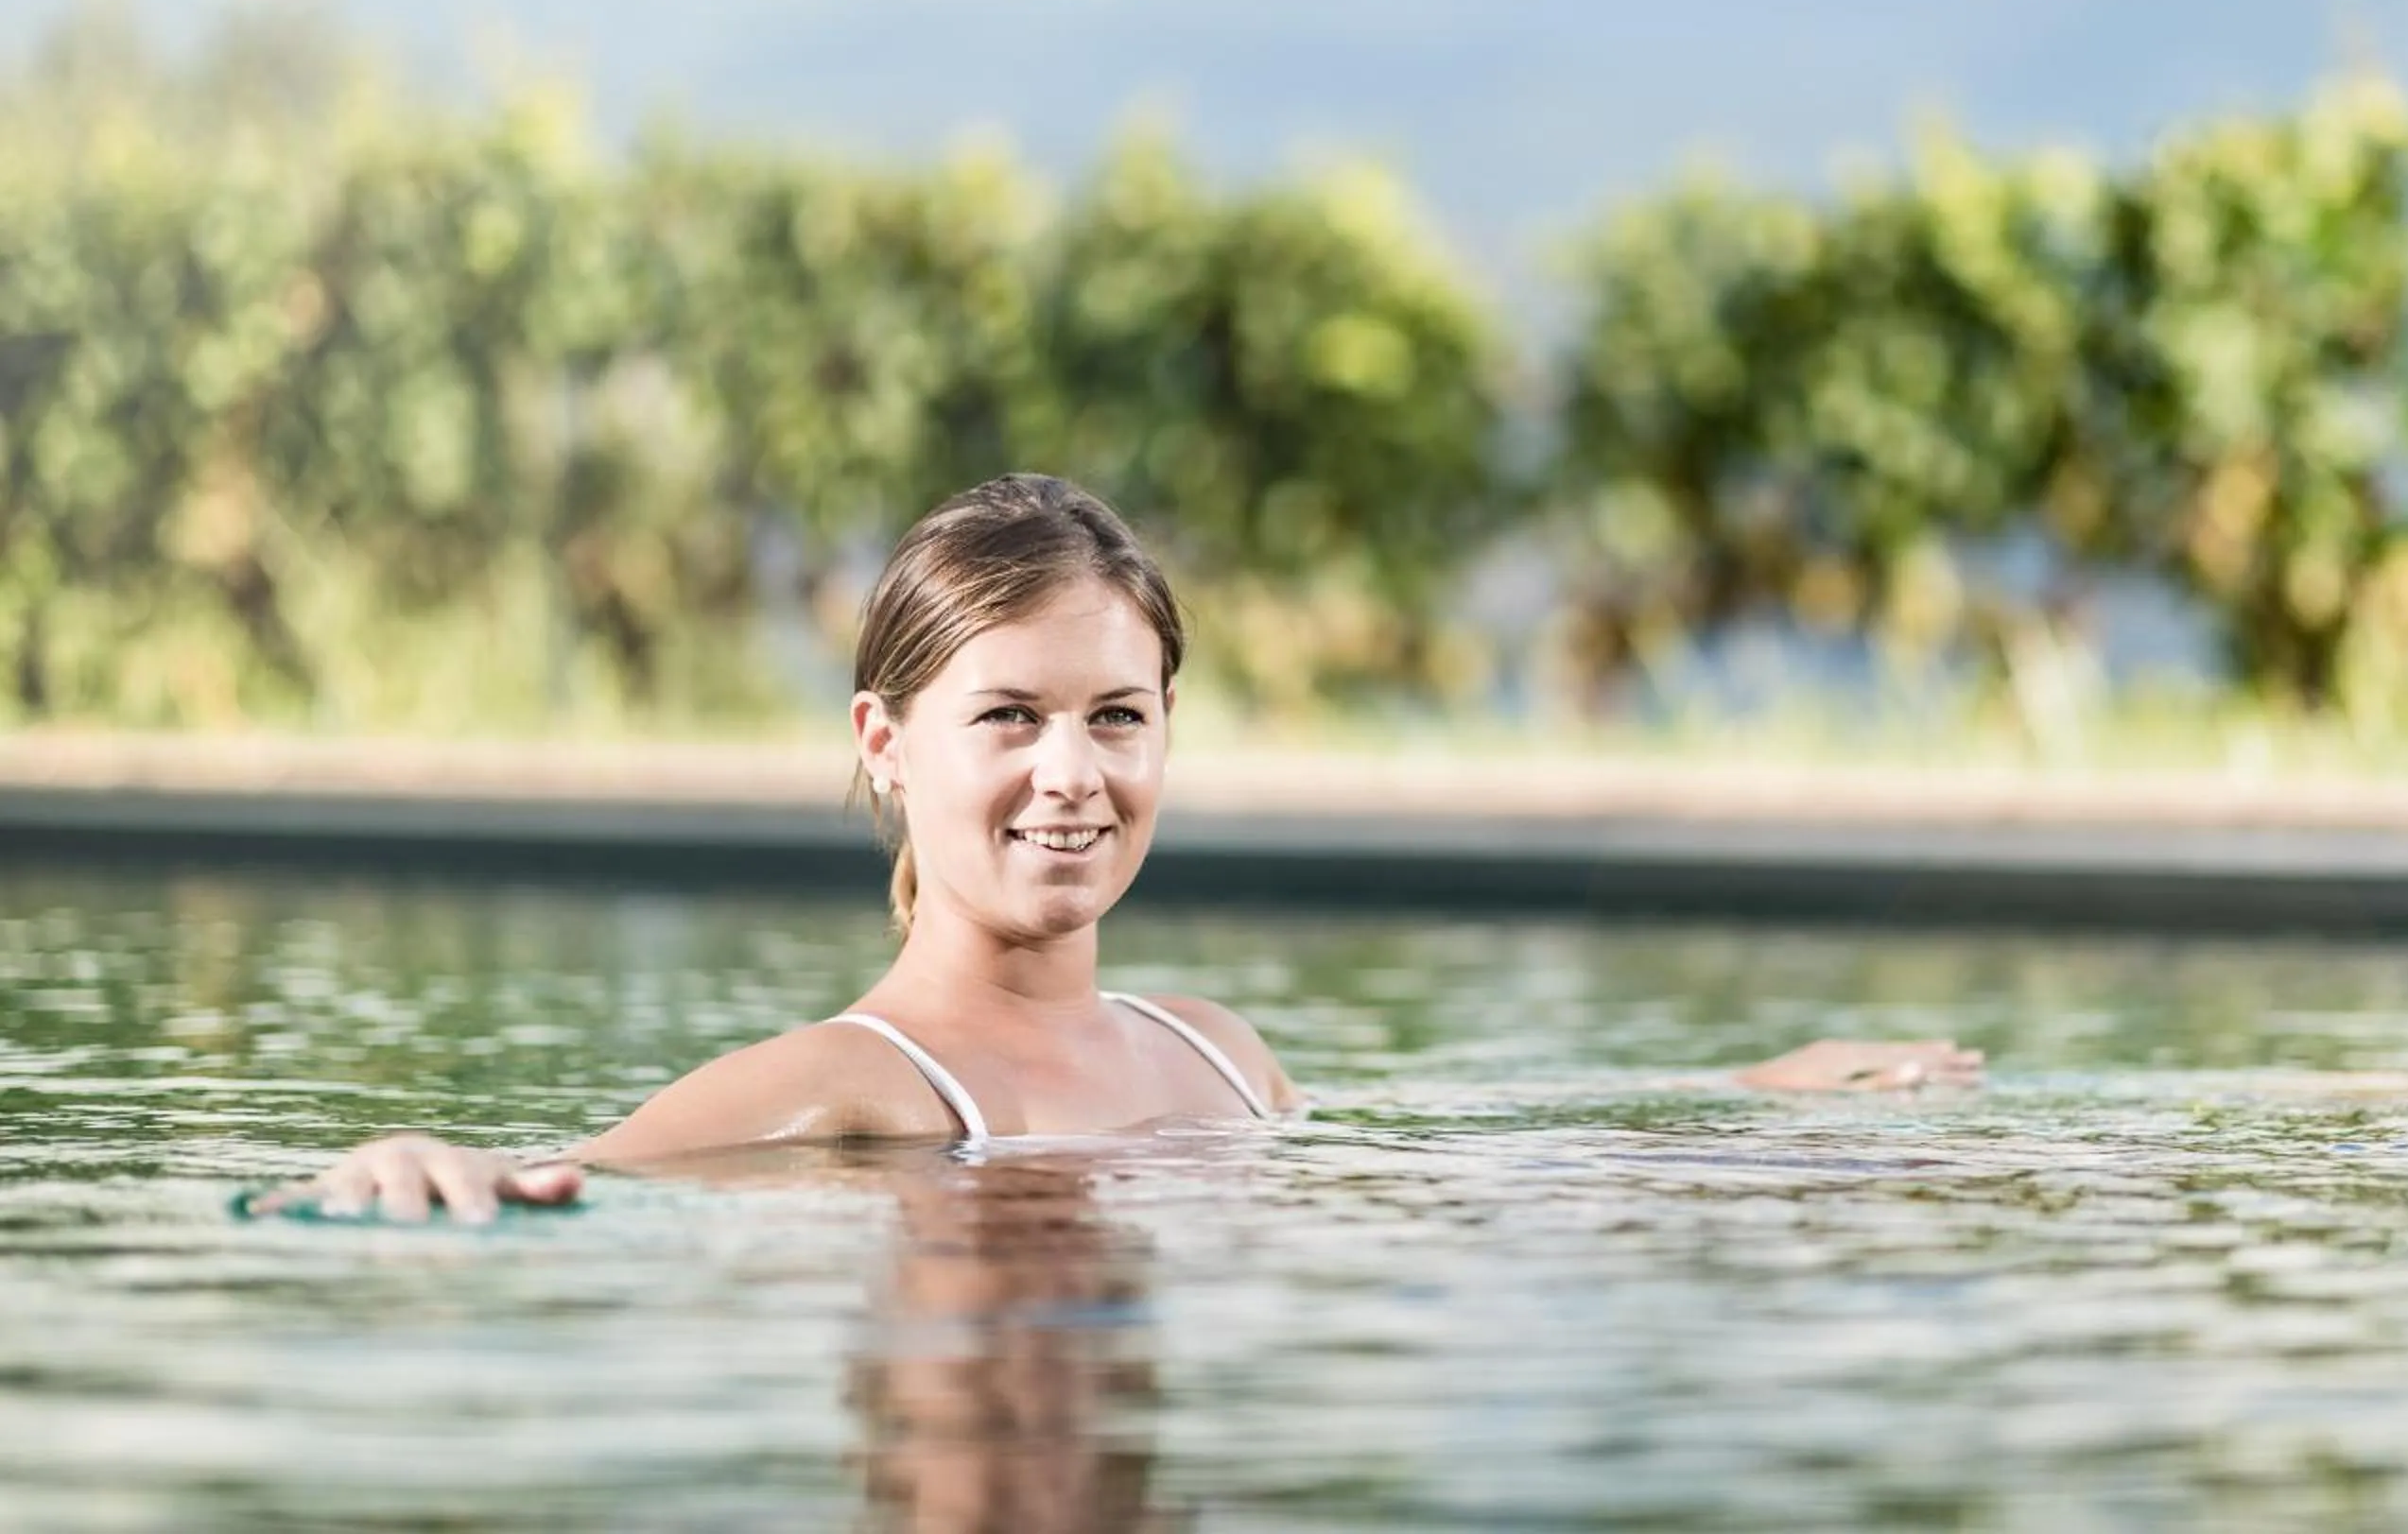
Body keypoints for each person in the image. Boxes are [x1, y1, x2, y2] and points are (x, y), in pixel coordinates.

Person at [245, 474, 1979, 1225]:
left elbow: (1460, 1155)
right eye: (1006, 717)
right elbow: (563, 1176)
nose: (1071, 774)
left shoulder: (1215, 1049)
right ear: (885, 743)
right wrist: (406, 1157)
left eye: (1119, 716)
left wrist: (1766, 1101)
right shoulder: (849, 1088)